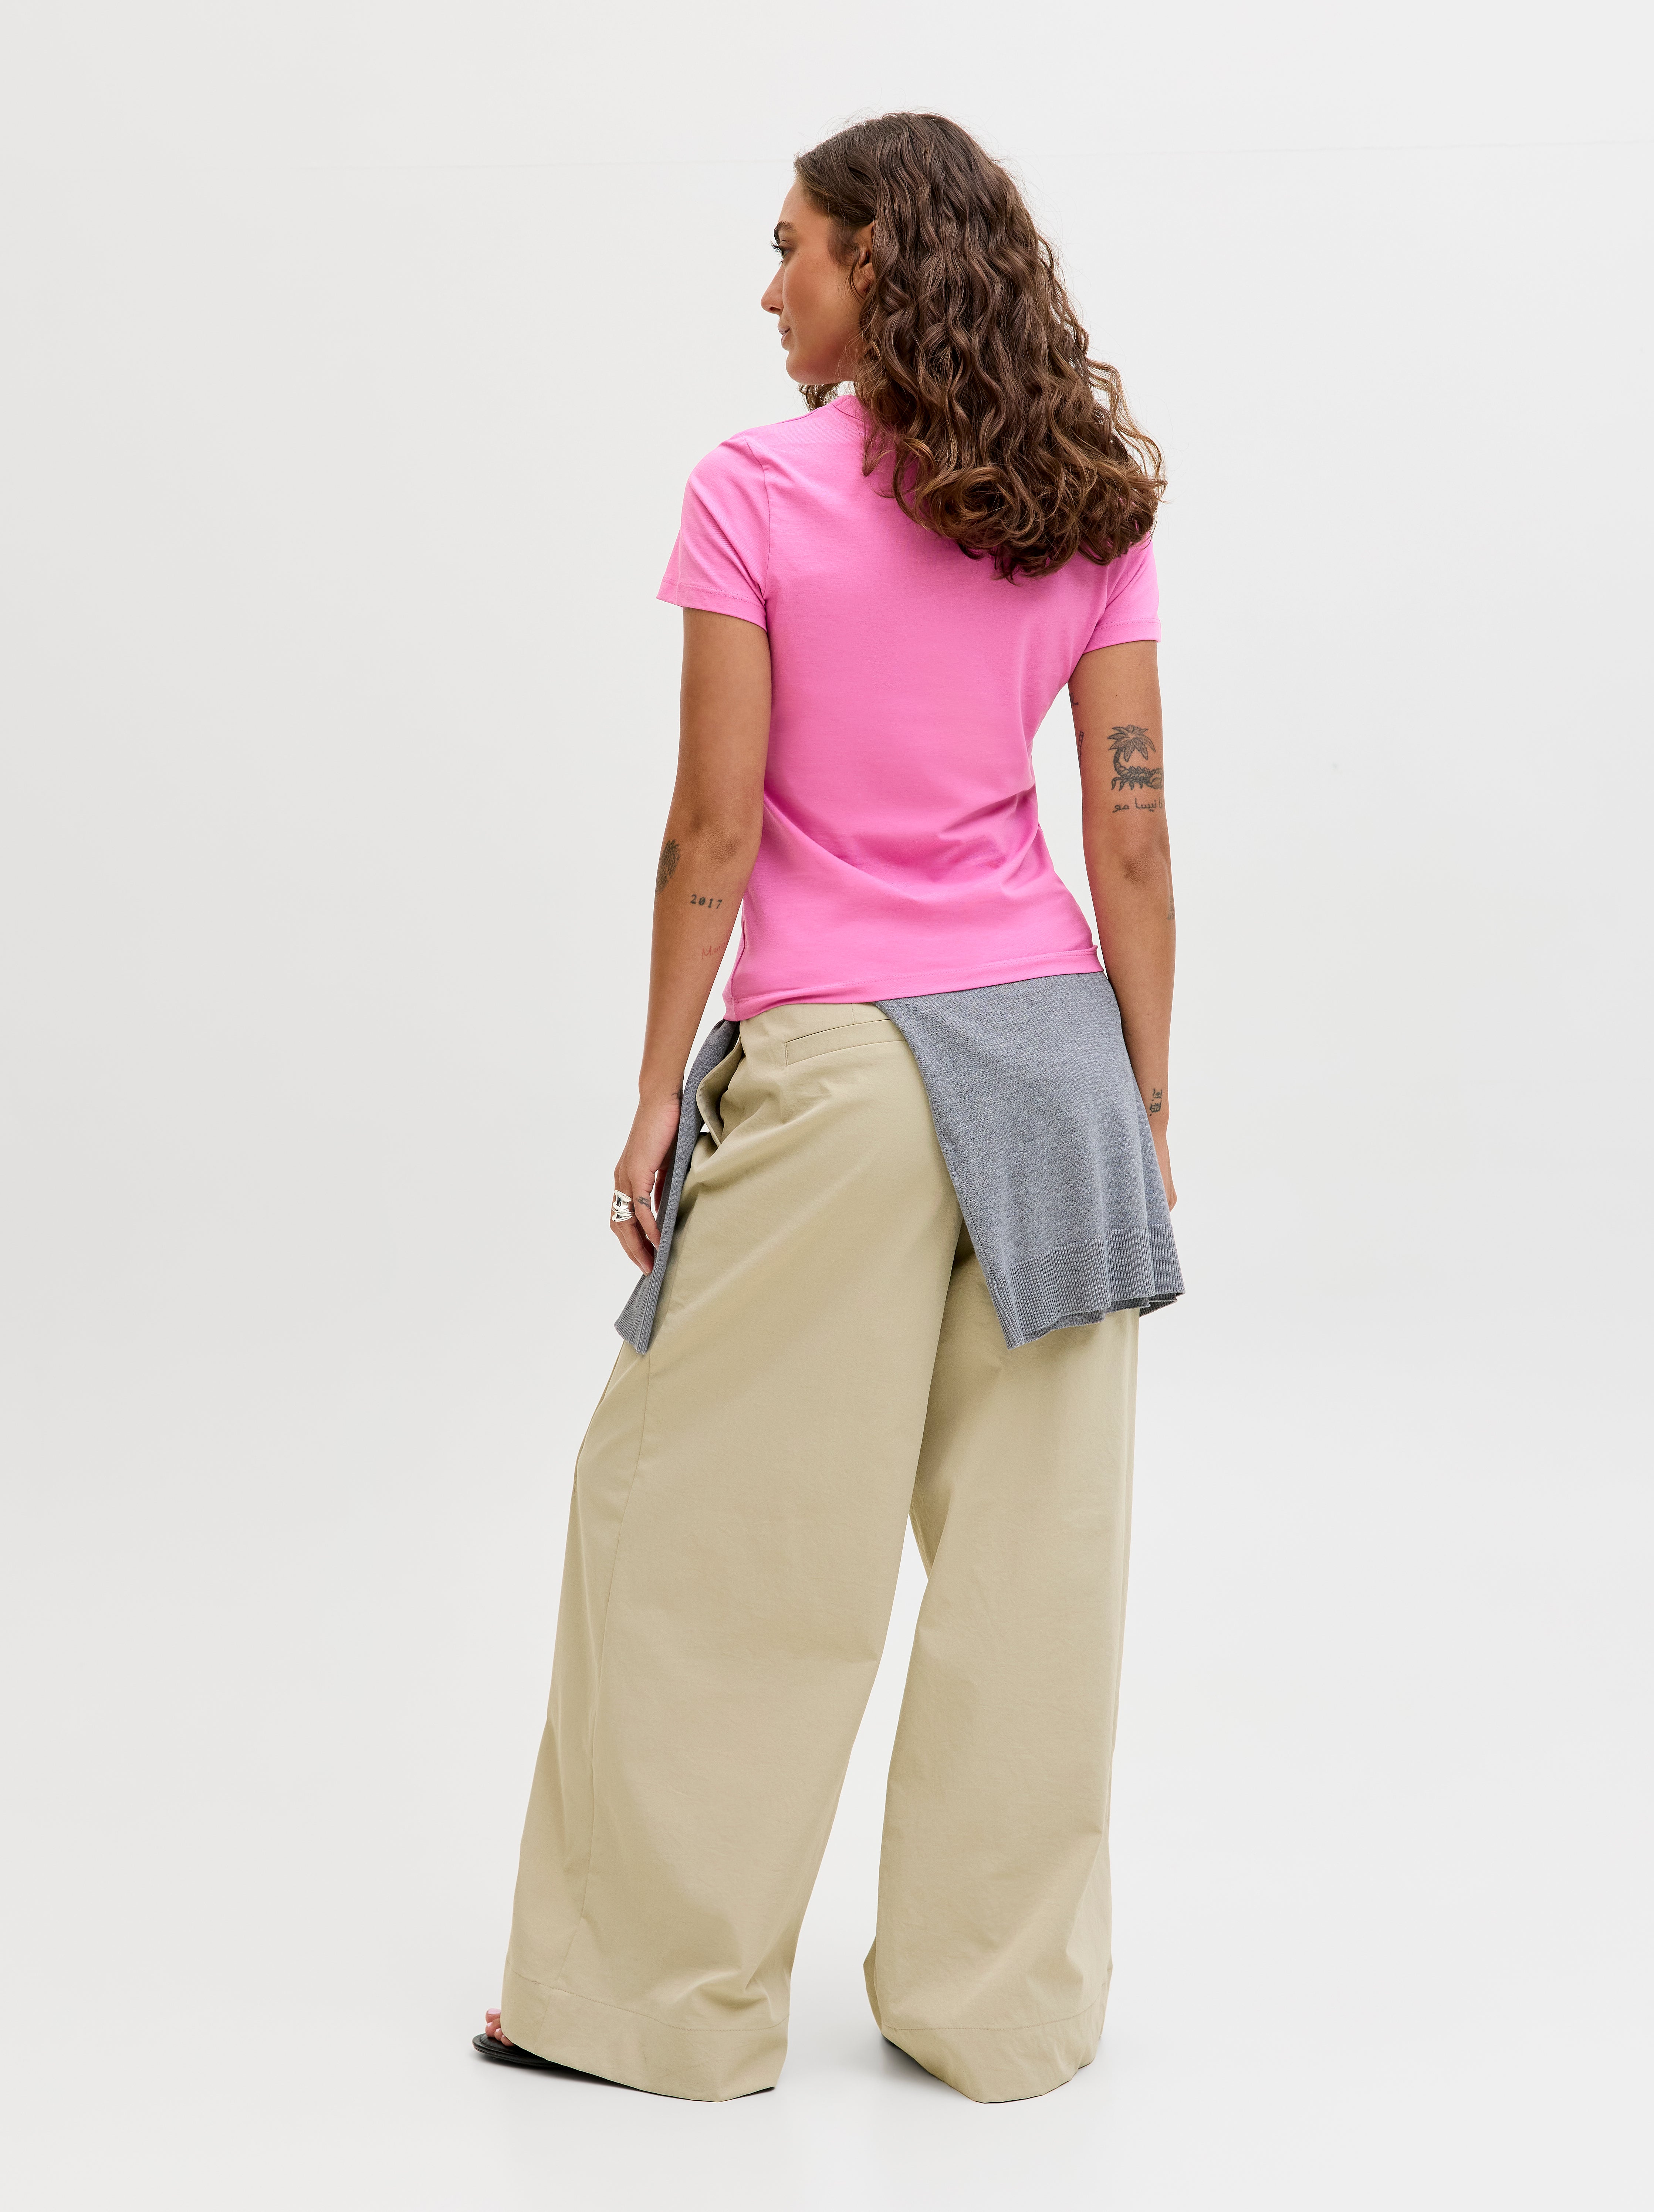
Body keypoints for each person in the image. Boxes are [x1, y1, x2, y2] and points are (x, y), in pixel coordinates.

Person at [476, 110, 1181, 2106]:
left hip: (846, 1068)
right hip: (1056, 1068)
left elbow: (711, 831)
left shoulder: (755, 494)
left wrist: (651, 1097)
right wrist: (1143, 1102)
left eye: (791, 245)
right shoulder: (1089, 504)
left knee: (701, 1525)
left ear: (878, 262)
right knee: (1034, 1568)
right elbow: (1131, 839)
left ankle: (652, 2008)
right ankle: (999, 2017)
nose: (768, 284)